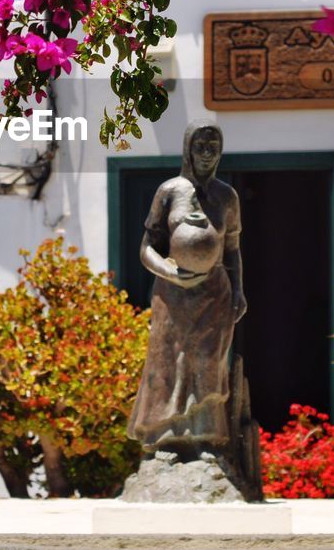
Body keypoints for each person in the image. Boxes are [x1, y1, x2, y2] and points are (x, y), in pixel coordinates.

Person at [126, 121, 247, 461]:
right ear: (187, 149)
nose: (207, 153)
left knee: (209, 362)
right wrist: (168, 270)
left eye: (214, 146)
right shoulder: (169, 191)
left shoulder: (227, 196)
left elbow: (233, 249)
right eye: (200, 146)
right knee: (168, 364)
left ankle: (206, 439)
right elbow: (147, 246)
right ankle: (165, 438)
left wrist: (238, 291)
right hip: (173, 293)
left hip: (215, 293)